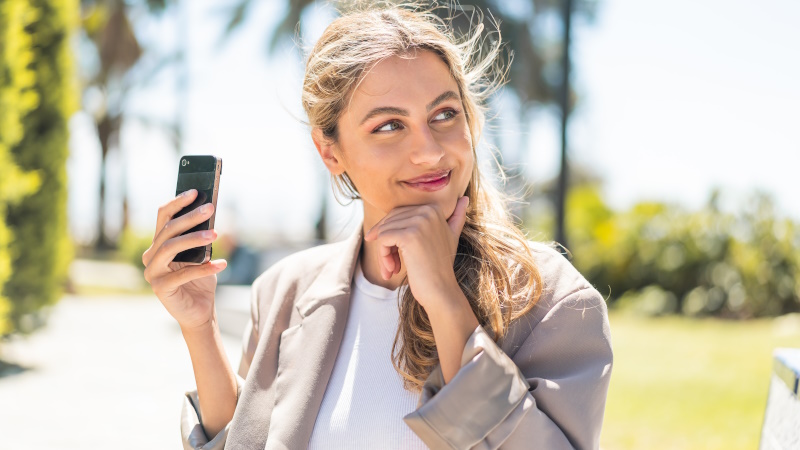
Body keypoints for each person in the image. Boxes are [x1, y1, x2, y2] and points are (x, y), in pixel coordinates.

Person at [142, 3, 613, 449]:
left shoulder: (549, 299)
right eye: (390, 125)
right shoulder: (284, 293)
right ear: (330, 152)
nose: (429, 150)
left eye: (444, 114)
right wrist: (199, 328)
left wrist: (446, 302)